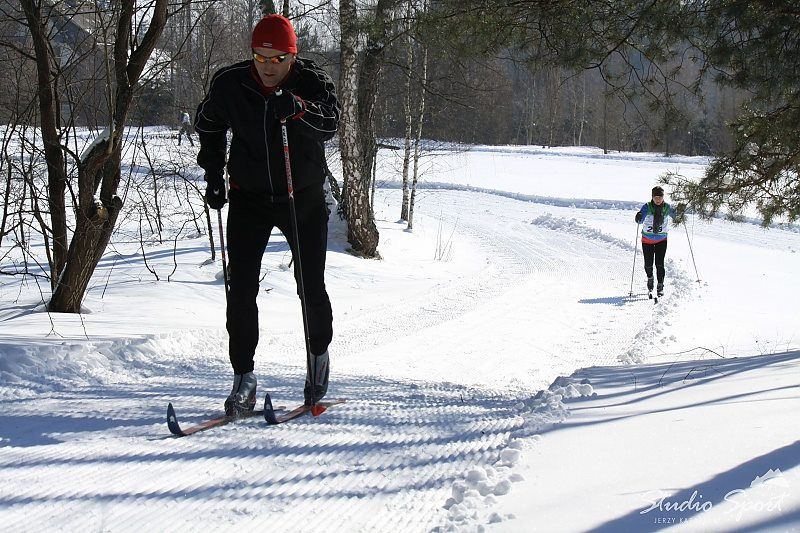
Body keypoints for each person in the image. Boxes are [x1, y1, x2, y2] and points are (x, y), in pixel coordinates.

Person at [194, 14, 339, 416]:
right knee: (240, 288)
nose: (269, 66)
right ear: (253, 54)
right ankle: (244, 378)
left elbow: (331, 123)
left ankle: (318, 357)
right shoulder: (231, 83)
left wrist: (299, 109)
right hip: (249, 198)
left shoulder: (311, 82)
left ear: (293, 56)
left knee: (309, 284)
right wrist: (214, 172)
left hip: (303, 196)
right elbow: (208, 123)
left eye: (279, 58)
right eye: (261, 56)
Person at [634, 186, 679, 297]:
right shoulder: (647, 207)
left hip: (661, 240)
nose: (658, 200)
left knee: (660, 264)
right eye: (656, 197)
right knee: (648, 264)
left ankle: (660, 286)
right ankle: (650, 278)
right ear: (652, 197)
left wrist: (679, 213)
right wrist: (638, 217)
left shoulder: (667, 207)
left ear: (663, 197)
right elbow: (640, 220)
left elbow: (676, 217)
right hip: (647, 240)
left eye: (660, 197)